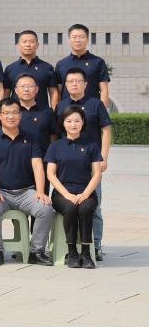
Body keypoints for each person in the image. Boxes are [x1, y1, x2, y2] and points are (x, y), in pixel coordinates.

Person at [0, 98, 54, 266]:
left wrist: (40, 192)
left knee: (45, 208)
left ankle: (36, 251)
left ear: (20, 115)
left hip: (26, 191)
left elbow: (37, 166)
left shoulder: (31, 137)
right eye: (6, 113)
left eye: (14, 113)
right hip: (0, 191)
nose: (10, 116)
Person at [55, 68, 112, 261]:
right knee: (69, 206)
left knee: (94, 206)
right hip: (67, 164)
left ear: (86, 84)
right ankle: (70, 247)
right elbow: (56, 134)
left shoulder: (96, 104)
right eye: (70, 81)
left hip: (92, 162)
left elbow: (106, 130)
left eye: (78, 81)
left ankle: (96, 245)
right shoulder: (61, 105)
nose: (74, 84)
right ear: (65, 85)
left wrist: (103, 157)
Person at [45, 104, 103, 269]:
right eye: (69, 121)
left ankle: (86, 252)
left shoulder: (91, 145)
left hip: (86, 192)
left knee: (86, 208)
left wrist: (85, 194)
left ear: (83, 122)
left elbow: (96, 174)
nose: (73, 124)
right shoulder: (55, 146)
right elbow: (51, 175)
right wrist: (67, 195)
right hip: (62, 194)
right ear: (63, 123)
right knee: (70, 208)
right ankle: (72, 252)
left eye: (77, 121)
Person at [54, 23, 110, 106]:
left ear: (87, 39)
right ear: (69, 40)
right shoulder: (61, 64)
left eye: (81, 37)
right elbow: (58, 92)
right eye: (74, 37)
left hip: (92, 109)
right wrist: (58, 111)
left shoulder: (98, 62)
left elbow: (104, 90)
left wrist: (102, 111)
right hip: (68, 111)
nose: (77, 40)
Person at [4, 30, 58, 109]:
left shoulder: (47, 67)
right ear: (18, 45)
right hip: (16, 113)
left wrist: (54, 113)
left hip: (42, 112)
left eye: (31, 42)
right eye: (24, 42)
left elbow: (53, 93)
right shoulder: (10, 69)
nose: (27, 45)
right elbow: (6, 93)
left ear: (37, 45)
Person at [14, 73, 56, 152]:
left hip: (43, 156)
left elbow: (53, 137)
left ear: (36, 89)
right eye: (22, 86)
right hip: (17, 156)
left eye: (30, 86)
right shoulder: (10, 113)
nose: (26, 90)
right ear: (16, 90)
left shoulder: (47, 112)